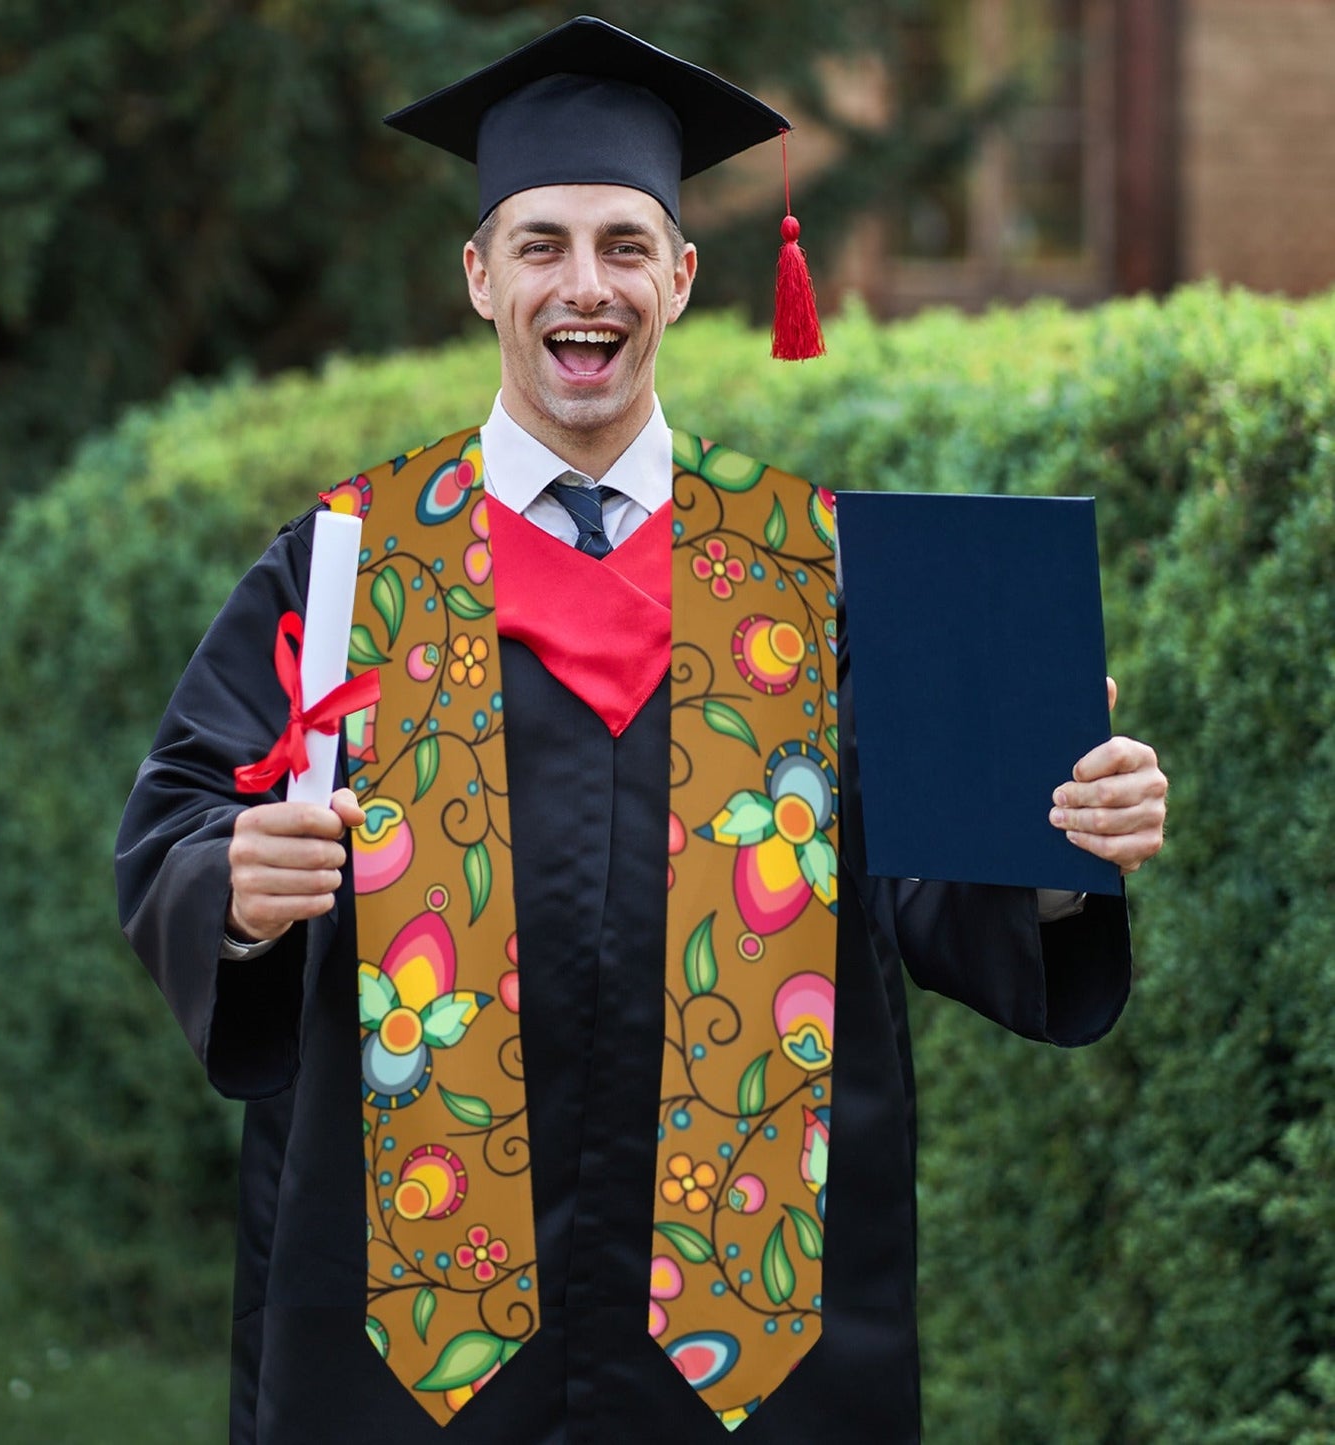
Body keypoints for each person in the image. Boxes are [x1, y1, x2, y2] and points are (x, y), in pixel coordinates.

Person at [115, 17, 1167, 1445]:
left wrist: (1056, 843)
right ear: (479, 275)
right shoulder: (351, 565)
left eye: (622, 244)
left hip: (749, 1323)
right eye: (540, 244)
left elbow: (929, 886)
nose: (582, 285)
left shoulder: (819, 569)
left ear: (679, 275)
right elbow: (180, 817)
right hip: (416, 1322)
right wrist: (232, 888)